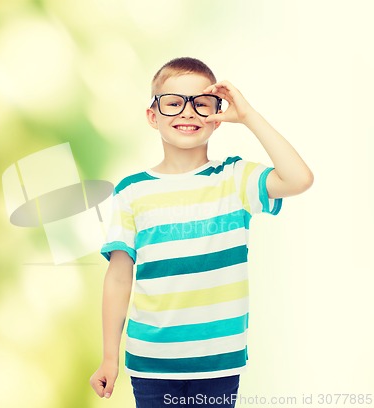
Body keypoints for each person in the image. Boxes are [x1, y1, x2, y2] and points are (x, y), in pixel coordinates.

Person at [89, 57, 313, 407]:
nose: (188, 113)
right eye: (174, 103)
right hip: (152, 363)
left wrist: (249, 116)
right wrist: (109, 356)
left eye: (202, 104)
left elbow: (299, 179)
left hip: (218, 362)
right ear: (153, 115)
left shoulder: (235, 178)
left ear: (218, 116)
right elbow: (118, 278)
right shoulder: (131, 191)